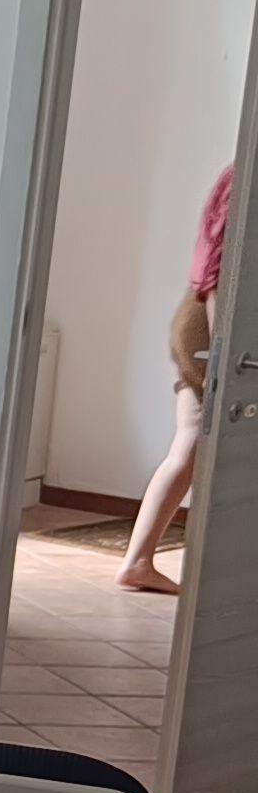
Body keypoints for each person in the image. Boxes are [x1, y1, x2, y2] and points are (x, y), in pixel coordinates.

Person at [117, 163, 235, 593]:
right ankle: (138, 560)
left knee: (189, 445)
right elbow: (219, 265)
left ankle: (138, 560)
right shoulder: (246, 172)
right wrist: (226, 346)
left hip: (204, 314)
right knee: (192, 445)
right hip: (211, 318)